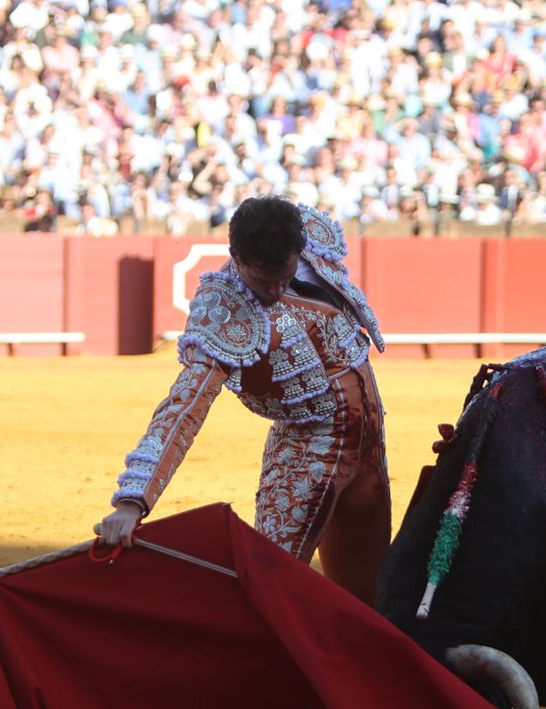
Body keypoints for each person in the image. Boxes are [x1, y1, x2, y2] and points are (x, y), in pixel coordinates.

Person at [94, 196, 391, 605]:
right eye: (261, 277)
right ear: (235, 256)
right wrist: (133, 500)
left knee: (370, 595)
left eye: (282, 274)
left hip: (371, 443)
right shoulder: (223, 310)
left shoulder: (312, 241)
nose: (273, 289)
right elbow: (184, 406)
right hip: (308, 452)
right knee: (266, 589)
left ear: (299, 247)